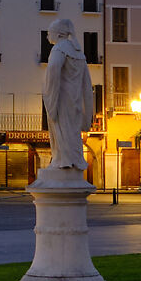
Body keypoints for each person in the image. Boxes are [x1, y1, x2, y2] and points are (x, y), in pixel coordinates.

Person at [42, 15, 94, 175]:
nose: (47, 36)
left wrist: (50, 96)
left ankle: (62, 161)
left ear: (58, 35)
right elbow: (87, 82)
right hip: (76, 101)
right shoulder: (77, 52)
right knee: (72, 132)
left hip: (62, 100)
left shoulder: (59, 49)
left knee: (62, 131)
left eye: (49, 33)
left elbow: (54, 69)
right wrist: (88, 109)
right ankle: (72, 161)